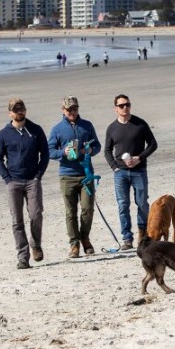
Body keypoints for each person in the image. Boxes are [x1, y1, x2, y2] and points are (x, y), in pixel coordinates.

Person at [0, 98, 49, 269]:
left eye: (22, 108)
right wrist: (7, 179)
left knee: (36, 215)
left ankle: (36, 244)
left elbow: (45, 154)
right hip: (13, 182)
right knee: (17, 221)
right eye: (16, 109)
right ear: (9, 113)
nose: (19, 112)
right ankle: (23, 257)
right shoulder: (4, 134)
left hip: (32, 180)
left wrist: (38, 175)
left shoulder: (35, 130)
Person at [48, 96, 102, 258]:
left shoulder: (87, 125)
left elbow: (97, 145)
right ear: (63, 110)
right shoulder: (57, 129)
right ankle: (74, 243)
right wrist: (63, 152)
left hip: (86, 174)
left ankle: (85, 237)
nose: (72, 112)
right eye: (69, 109)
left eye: (75, 108)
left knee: (87, 208)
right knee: (70, 212)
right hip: (67, 175)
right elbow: (49, 151)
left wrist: (90, 150)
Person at [104, 94, 158, 251]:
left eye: (127, 104)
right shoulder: (112, 128)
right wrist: (115, 167)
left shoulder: (140, 124)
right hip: (120, 173)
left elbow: (153, 144)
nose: (125, 108)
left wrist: (139, 158)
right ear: (115, 109)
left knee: (142, 202)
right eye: (121, 106)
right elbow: (107, 150)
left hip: (139, 170)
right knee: (123, 204)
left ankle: (143, 234)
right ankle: (127, 238)